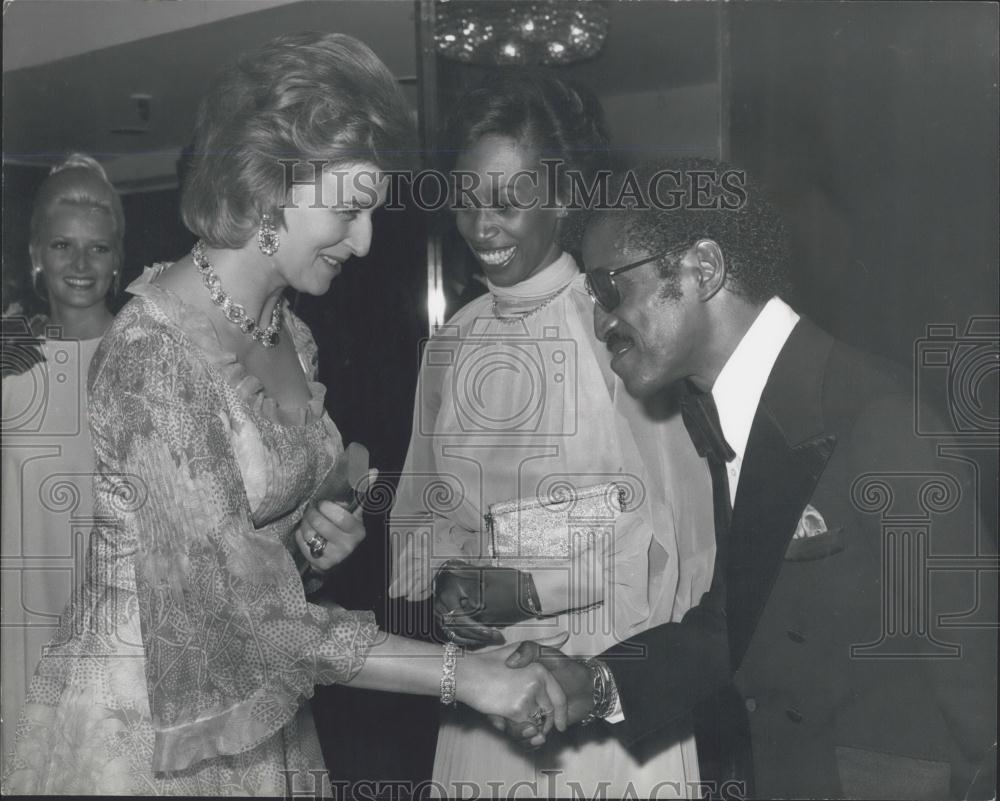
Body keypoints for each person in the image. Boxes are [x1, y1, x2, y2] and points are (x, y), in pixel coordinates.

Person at [0, 34, 570, 796]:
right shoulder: (152, 357)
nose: (365, 242)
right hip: (151, 732)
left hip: (259, 707)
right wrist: (461, 673)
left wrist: (308, 546)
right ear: (269, 189)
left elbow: (262, 565)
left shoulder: (286, 330)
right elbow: (234, 619)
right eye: (350, 210)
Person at [501, 158, 998, 799]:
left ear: (702, 270)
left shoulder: (877, 417)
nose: (601, 324)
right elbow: (735, 626)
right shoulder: (729, 415)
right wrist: (592, 683)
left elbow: (981, 682)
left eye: (608, 287)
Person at [389, 75, 714, 798]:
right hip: (490, 695)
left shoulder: (616, 330)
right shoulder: (449, 348)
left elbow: (663, 537)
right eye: (469, 200)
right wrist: (451, 589)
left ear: (562, 196)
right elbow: (433, 517)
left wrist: (519, 583)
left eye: (508, 200)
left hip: (603, 699)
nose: (483, 225)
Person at [1, 154, 124, 757]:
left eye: (97, 249)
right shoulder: (8, 354)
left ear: (117, 259)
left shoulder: (144, 355)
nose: (79, 265)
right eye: (61, 245)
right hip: (20, 612)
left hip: (115, 617)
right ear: (35, 255)